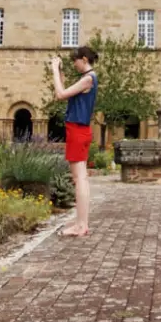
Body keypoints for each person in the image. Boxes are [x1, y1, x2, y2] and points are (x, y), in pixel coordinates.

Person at [51, 46, 99, 237]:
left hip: (77, 131)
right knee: (81, 178)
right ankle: (81, 222)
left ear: (84, 59)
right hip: (80, 130)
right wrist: (60, 72)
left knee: (79, 179)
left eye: (75, 60)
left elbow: (61, 95)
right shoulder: (87, 78)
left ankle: (81, 225)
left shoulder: (88, 78)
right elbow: (62, 91)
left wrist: (54, 70)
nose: (75, 64)